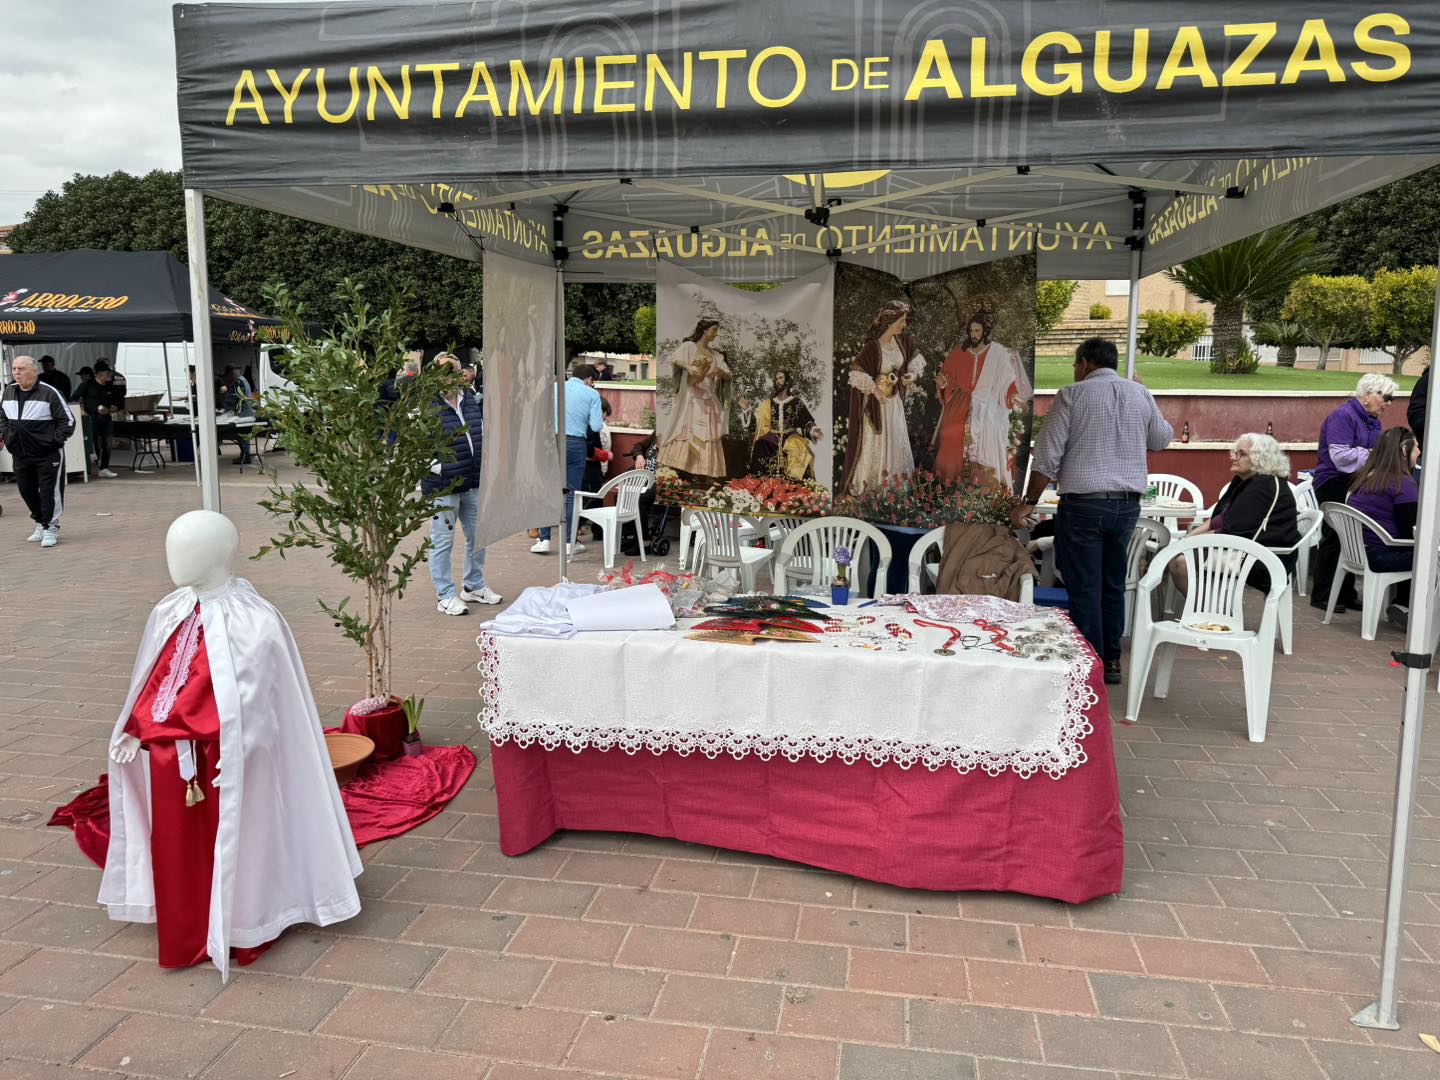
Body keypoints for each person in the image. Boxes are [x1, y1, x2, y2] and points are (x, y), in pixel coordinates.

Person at [104, 510, 361, 976]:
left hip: (228, 758)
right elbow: (153, 678)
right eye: (173, 546)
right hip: (171, 756)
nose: (174, 560)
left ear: (220, 554)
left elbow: (264, 699)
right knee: (178, 843)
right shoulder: (169, 610)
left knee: (240, 836)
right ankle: (187, 923)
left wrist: (246, 748)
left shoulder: (255, 620)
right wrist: (134, 728)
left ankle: (246, 918)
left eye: (187, 549)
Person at [1018, 338, 1174, 685]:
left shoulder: (1072, 394)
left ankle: (1091, 662)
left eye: (1075, 365)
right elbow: (1161, 439)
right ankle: (1112, 659)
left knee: (1085, 584)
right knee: (1112, 582)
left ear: (1085, 363)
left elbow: (1047, 457)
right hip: (1126, 506)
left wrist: (1028, 500)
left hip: (1085, 504)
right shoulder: (1139, 393)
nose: (1075, 371)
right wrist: (1146, 401)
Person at [1171, 433, 1300, 595]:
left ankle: (1201, 613)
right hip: (1243, 548)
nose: (1234, 457)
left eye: (1242, 454)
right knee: (1177, 556)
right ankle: (1202, 611)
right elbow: (1219, 520)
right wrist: (1187, 539)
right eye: (1235, 452)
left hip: (1263, 558)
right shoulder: (1245, 480)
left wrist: (1188, 543)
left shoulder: (1263, 486)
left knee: (1181, 562)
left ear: (1261, 458)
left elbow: (1232, 530)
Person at [1309, 373, 1395, 612]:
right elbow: (1341, 458)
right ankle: (1323, 594)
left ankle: (1345, 593)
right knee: (1335, 535)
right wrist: (1372, 454)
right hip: (1333, 482)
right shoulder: (1343, 416)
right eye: (1386, 397)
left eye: (1391, 398)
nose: (1388, 403)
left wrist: (1365, 453)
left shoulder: (1372, 419)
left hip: (1354, 482)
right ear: (1368, 395)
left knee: (1352, 537)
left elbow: (1362, 454)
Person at [425, 353, 501, 615]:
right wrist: (438, 467)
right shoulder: (426, 403)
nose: (449, 375)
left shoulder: (469, 397)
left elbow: (479, 430)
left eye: (453, 369)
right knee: (442, 541)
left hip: (473, 478)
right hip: (443, 485)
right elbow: (412, 444)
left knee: (478, 536)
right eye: (443, 370)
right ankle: (445, 594)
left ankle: (474, 585)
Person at [933, 309, 1032, 489]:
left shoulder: (998, 354)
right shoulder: (959, 352)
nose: (974, 335)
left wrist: (1014, 397)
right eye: (971, 331)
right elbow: (945, 377)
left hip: (987, 406)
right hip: (960, 403)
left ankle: (981, 488)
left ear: (985, 332)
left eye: (977, 331)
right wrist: (942, 383)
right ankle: (948, 485)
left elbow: (1006, 382)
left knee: (988, 437)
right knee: (949, 432)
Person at [842, 301, 926, 495]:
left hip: (894, 403)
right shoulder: (873, 346)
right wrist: (874, 389)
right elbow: (856, 373)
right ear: (890, 321)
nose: (904, 325)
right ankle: (872, 490)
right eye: (901, 321)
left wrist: (911, 376)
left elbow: (916, 361)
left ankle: (895, 492)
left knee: (895, 441)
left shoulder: (903, 341)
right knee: (878, 444)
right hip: (877, 405)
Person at [0, 355, 77, 548]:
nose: (17, 373)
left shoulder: (49, 392)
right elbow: (2, 417)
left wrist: (53, 441)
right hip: (20, 453)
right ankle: (40, 522)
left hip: (47, 454)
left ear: (34, 371)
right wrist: (7, 436)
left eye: (22, 369)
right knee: (26, 490)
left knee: (49, 492)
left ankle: (51, 526)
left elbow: (68, 421)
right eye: (15, 369)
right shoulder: (9, 391)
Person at [1345, 426, 1419, 618]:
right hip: (1381, 556)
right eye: (1416, 446)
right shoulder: (1403, 484)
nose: (1419, 451)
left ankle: (1402, 604)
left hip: (1358, 553)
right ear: (1404, 450)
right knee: (1427, 557)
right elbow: (1409, 532)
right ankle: (1413, 610)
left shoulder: (1364, 478)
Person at [532, 362, 603, 555]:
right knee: (571, 494)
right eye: (592, 382)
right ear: (588, 379)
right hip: (575, 444)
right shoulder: (592, 394)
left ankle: (544, 540)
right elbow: (596, 427)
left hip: (550, 442)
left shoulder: (553, 388)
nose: (592, 385)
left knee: (548, 490)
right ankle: (569, 542)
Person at [658, 320, 732, 479]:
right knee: (686, 430)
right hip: (691, 398)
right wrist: (688, 366)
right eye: (714, 329)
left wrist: (722, 373)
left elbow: (728, 374)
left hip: (707, 399)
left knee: (708, 434)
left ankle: (704, 472)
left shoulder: (715, 355)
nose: (716, 333)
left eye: (717, 330)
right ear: (704, 330)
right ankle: (682, 469)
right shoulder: (689, 347)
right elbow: (674, 359)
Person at [746, 369, 823, 480]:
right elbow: (758, 420)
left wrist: (812, 430)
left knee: (799, 449)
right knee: (760, 443)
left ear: (787, 381)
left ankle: (794, 484)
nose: (777, 381)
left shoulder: (796, 402)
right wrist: (747, 411)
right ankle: (758, 482)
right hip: (773, 436)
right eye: (776, 379)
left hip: (791, 435)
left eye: (780, 378)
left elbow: (806, 420)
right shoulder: (770, 403)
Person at [74, 360, 126, 478]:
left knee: (107, 443)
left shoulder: (110, 386)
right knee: (94, 444)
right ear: (100, 373)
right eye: (108, 373)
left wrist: (112, 409)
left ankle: (104, 468)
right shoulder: (87, 385)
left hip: (106, 418)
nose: (110, 375)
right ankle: (94, 467)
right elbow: (73, 398)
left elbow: (118, 403)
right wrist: (82, 411)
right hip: (91, 418)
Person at [219, 366, 255, 465]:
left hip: (242, 416)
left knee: (242, 437)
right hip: (246, 414)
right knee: (244, 437)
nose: (227, 379)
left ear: (232, 374)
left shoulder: (238, 383)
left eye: (227, 377)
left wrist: (230, 411)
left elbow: (236, 401)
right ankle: (245, 455)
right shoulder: (243, 380)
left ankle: (245, 457)